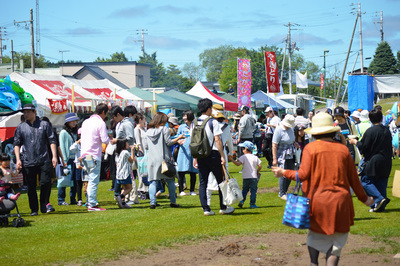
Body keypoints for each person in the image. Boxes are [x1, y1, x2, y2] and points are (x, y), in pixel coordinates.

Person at [272, 112, 374, 266]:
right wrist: (365, 199)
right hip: (341, 203)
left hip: (316, 201)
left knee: (314, 235)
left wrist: (283, 172)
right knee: (336, 243)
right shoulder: (343, 150)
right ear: (332, 131)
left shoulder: (310, 149)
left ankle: (314, 262)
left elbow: (304, 175)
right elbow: (354, 181)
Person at [14, 104, 58, 216]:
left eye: (28, 112)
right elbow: (16, 144)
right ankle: (34, 209)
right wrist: (18, 159)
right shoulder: (21, 127)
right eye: (24, 112)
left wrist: (54, 156)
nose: (26, 114)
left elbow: (52, 140)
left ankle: (44, 203)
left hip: (44, 159)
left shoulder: (44, 124)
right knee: (31, 187)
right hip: (28, 160)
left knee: (45, 183)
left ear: (34, 112)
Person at [193, 98, 234, 216]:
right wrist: (222, 155)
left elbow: (194, 142)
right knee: (220, 181)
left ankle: (206, 208)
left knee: (203, 183)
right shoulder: (213, 122)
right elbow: (218, 140)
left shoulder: (195, 122)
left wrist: (195, 158)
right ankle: (223, 207)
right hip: (213, 154)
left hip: (200, 155)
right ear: (209, 109)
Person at [349, 109, 393, 212]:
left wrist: (355, 142)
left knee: (365, 182)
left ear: (369, 119)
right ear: (382, 118)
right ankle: (380, 207)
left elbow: (364, 148)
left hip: (374, 160)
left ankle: (380, 199)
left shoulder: (370, 131)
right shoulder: (386, 130)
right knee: (381, 183)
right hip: (386, 160)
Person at [145, 112, 185, 209]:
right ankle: (173, 201)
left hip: (152, 160)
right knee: (170, 180)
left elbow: (146, 146)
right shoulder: (165, 129)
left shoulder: (148, 131)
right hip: (164, 159)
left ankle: (152, 202)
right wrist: (179, 138)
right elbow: (168, 142)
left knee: (153, 182)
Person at [80, 103, 110, 211]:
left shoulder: (86, 121)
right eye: (106, 114)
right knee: (93, 180)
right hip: (93, 155)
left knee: (89, 178)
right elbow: (105, 140)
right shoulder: (100, 123)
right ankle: (92, 204)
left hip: (84, 154)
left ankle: (90, 202)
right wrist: (112, 140)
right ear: (103, 112)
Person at [228, 141, 261, 209]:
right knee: (253, 191)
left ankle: (242, 201)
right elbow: (260, 166)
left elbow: (238, 164)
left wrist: (232, 159)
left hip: (246, 177)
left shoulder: (243, 157)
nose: (242, 150)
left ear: (246, 149)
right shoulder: (255, 157)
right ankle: (252, 204)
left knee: (245, 190)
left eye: (243, 148)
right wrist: (257, 171)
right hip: (253, 177)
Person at [58, 113, 81, 206]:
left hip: (74, 159)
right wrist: (64, 161)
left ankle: (73, 198)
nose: (74, 122)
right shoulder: (63, 132)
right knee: (63, 180)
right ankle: (61, 199)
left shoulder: (74, 132)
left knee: (74, 180)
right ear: (67, 122)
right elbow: (62, 147)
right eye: (72, 121)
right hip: (66, 159)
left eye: (75, 121)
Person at [272, 114, 296, 200]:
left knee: (289, 172)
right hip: (281, 154)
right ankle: (282, 192)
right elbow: (274, 145)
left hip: (290, 153)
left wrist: (294, 143)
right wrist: (274, 158)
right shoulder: (279, 129)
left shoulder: (291, 129)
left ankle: (285, 191)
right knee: (282, 172)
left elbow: (292, 139)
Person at [176, 110, 198, 196]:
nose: (184, 118)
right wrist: (179, 141)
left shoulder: (195, 126)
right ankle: (181, 190)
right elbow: (177, 137)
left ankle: (192, 190)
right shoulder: (181, 127)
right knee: (181, 171)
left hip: (193, 151)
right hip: (183, 151)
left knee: (193, 171)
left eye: (185, 116)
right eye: (183, 116)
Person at [115, 139, 136, 209]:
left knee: (124, 188)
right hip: (125, 173)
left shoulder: (118, 153)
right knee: (129, 188)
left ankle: (122, 203)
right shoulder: (125, 152)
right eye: (127, 143)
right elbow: (131, 160)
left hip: (119, 174)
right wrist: (132, 150)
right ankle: (120, 197)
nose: (128, 144)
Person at [134, 113, 149, 195]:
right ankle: (141, 189)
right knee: (141, 172)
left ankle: (145, 188)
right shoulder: (137, 130)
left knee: (145, 171)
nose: (145, 121)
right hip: (141, 154)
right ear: (140, 120)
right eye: (144, 119)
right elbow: (138, 143)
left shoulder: (144, 129)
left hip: (146, 152)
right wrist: (141, 153)